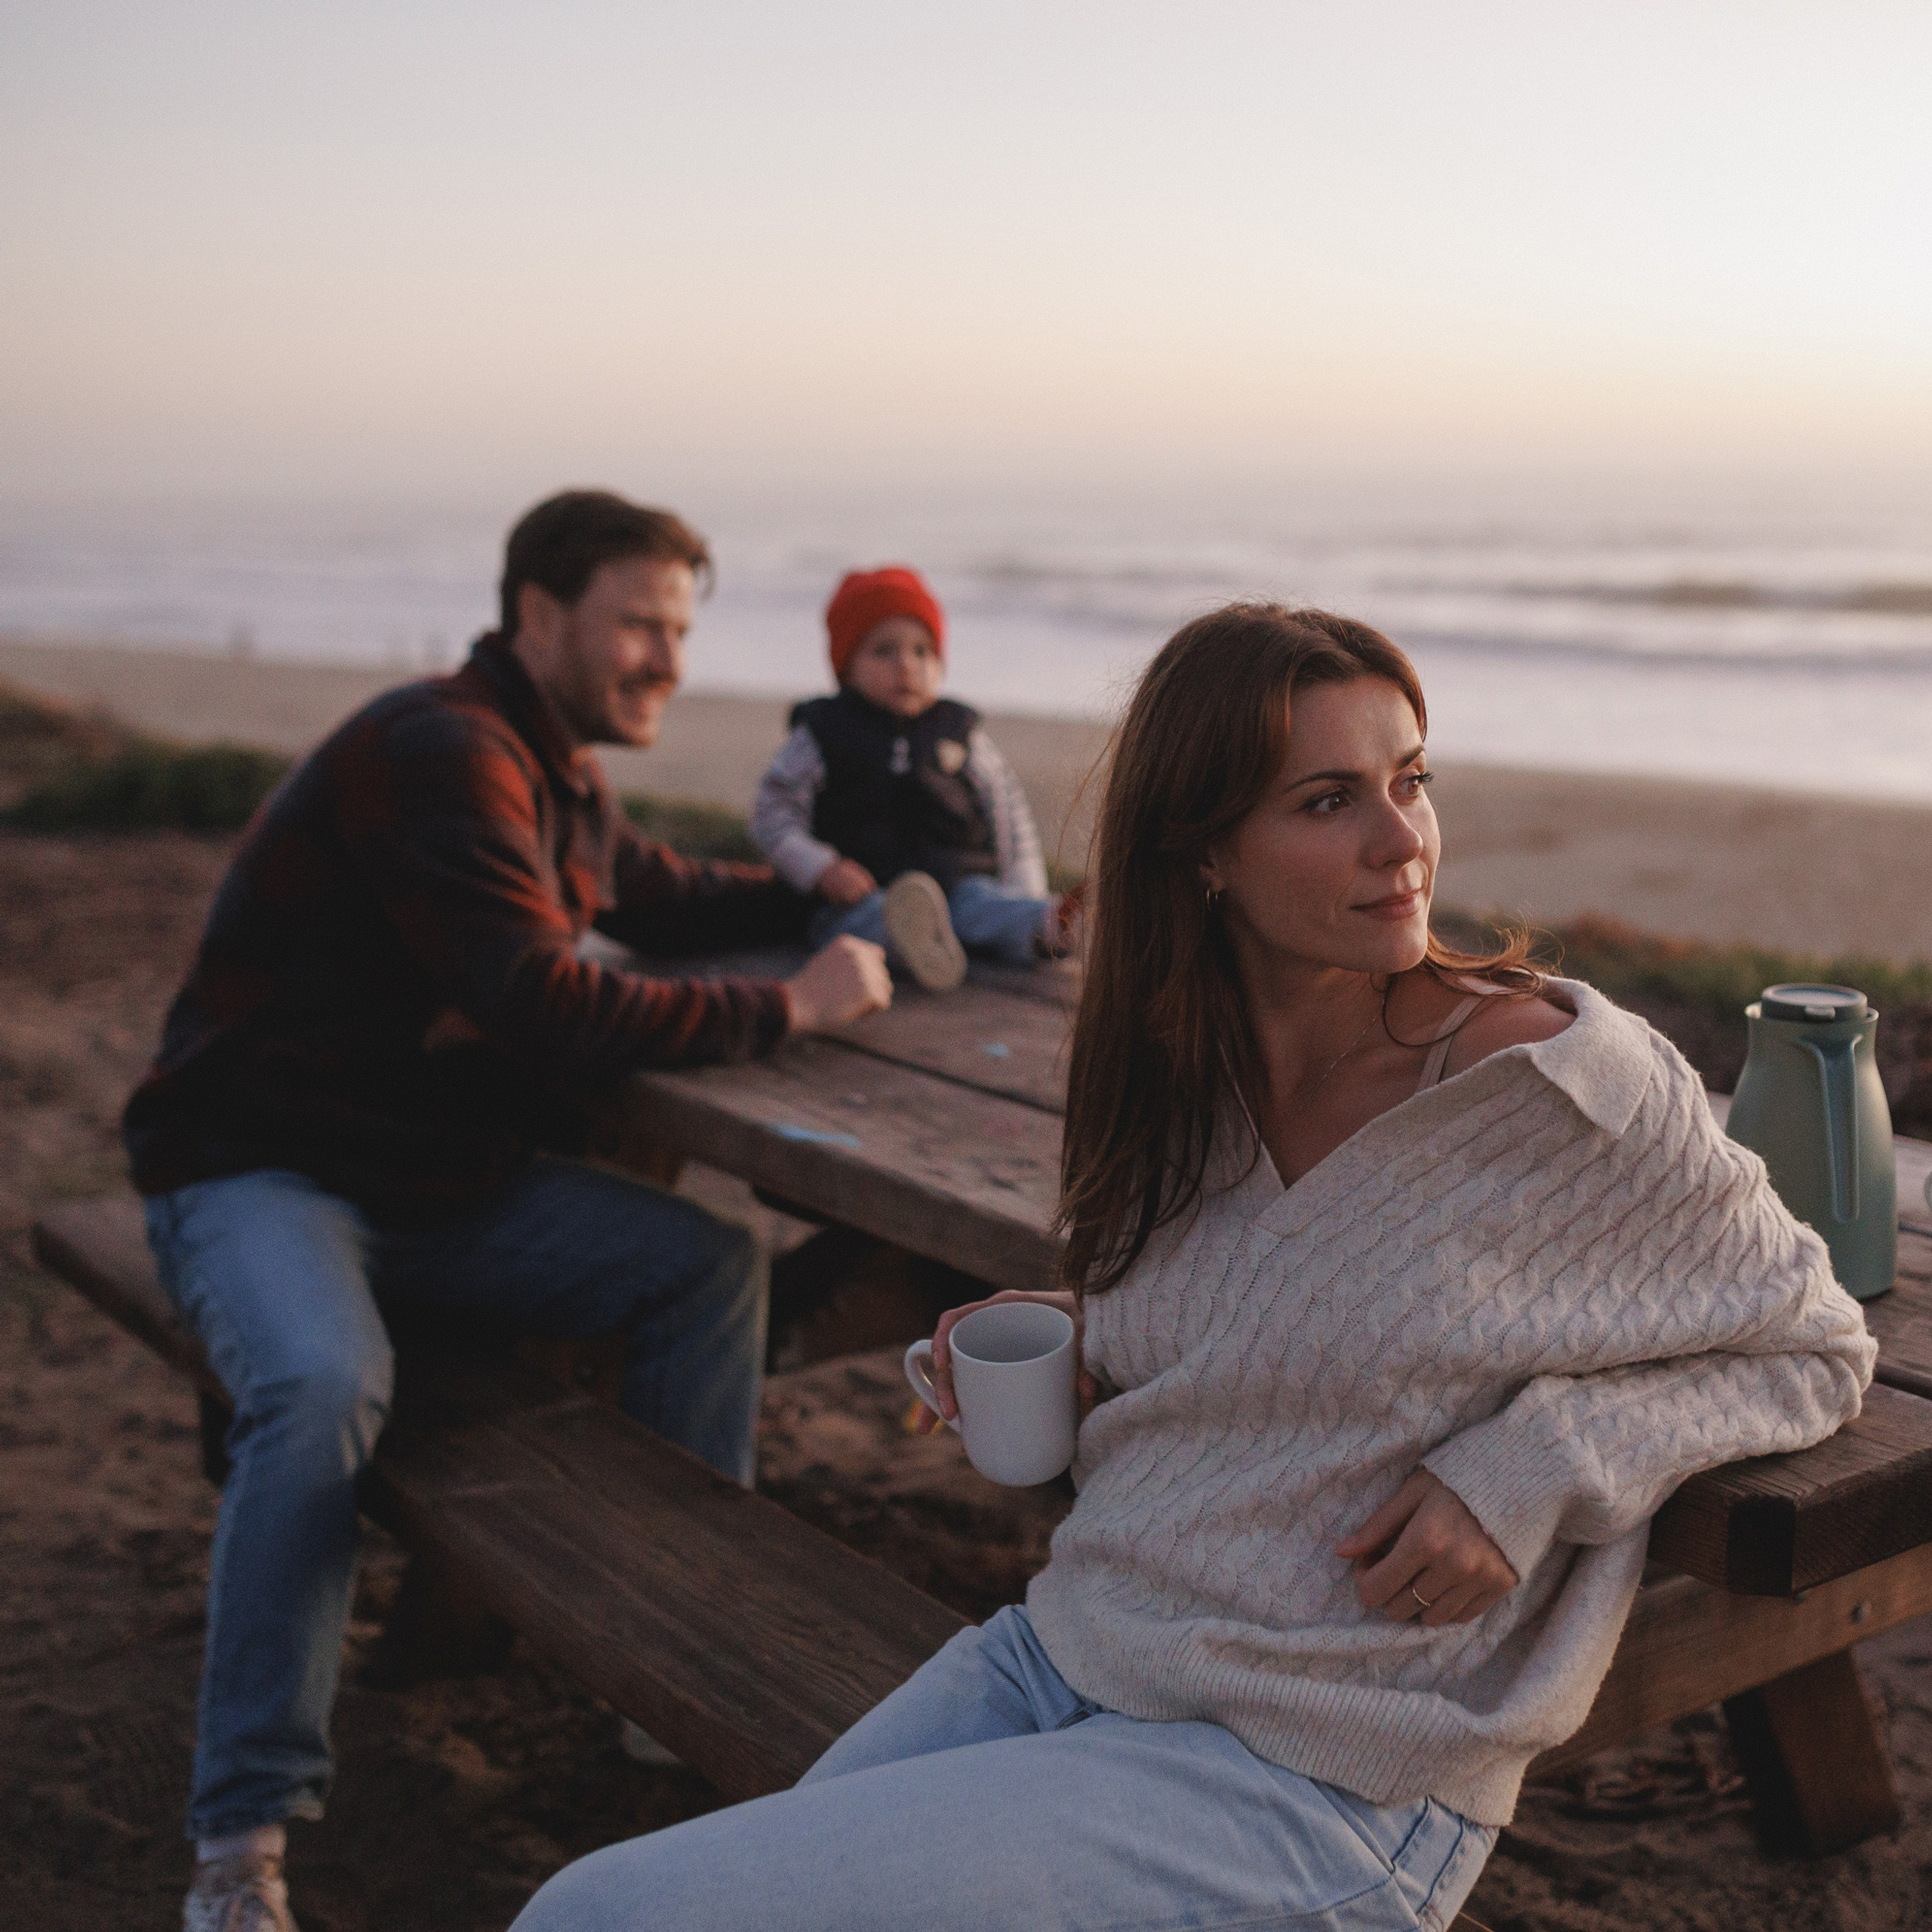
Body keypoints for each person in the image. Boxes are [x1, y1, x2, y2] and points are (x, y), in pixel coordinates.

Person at [512, 603, 1875, 1932]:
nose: (1404, 841)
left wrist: (1534, 1464)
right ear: (1205, 851)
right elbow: (1278, 1308)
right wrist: (1087, 1322)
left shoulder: (1562, 1090)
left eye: (1410, 780)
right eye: (1330, 801)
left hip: (1312, 1775)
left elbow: (1813, 1345)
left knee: (595, 1914)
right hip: (1073, 1649)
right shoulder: (1175, 1066)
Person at [125, 490, 892, 1932]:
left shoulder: (558, 776)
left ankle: (672, 1676)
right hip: (258, 1170)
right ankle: (241, 1845)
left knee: (703, 1267)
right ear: (537, 616)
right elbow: (542, 1002)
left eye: (681, 628)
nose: (666, 657)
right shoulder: (446, 751)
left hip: (426, 1185)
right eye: (639, 625)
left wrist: (840, 906)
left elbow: (656, 895)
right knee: (318, 1382)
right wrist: (796, 1002)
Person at [749, 565, 1078, 992]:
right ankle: (914, 944)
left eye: (922, 651)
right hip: (860, 896)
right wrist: (820, 868)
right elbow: (772, 816)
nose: (906, 664)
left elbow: (1007, 813)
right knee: (862, 926)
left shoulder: (959, 730)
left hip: (958, 886)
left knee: (987, 906)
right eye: (884, 651)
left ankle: (1055, 926)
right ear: (847, 666)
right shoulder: (824, 732)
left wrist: (1026, 891)